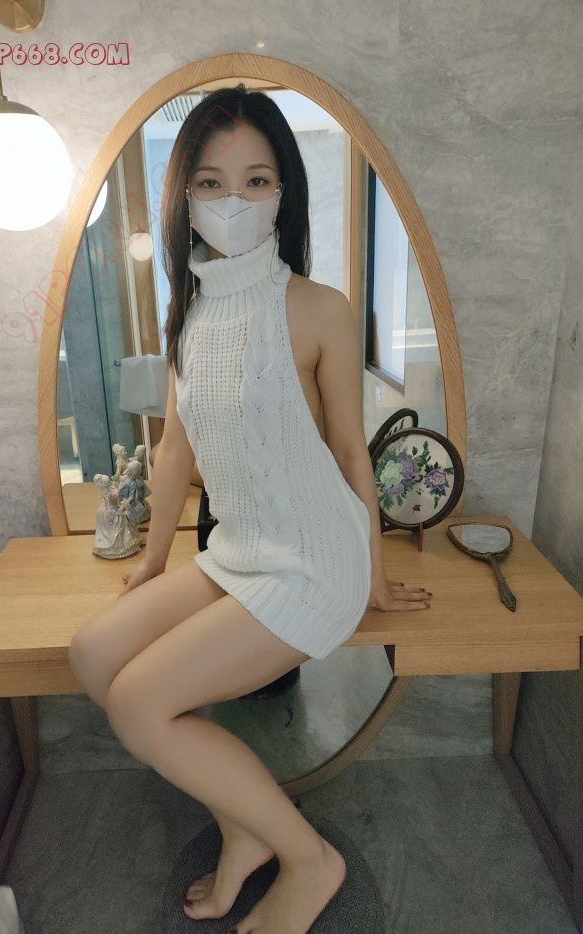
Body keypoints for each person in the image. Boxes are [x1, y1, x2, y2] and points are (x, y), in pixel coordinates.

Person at [69, 83, 432, 934]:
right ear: (184, 197)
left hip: (313, 559)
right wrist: (153, 563)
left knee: (138, 703)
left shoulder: (318, 309)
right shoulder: (189, 318)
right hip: (238, 551)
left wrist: (375, 575)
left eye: (256, 181)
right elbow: (175, 450)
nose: (233, 201)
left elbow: (351, 453)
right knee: (92, 654)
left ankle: (308, 859)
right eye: (211, 182)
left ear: (283, 193)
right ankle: (243, 828)